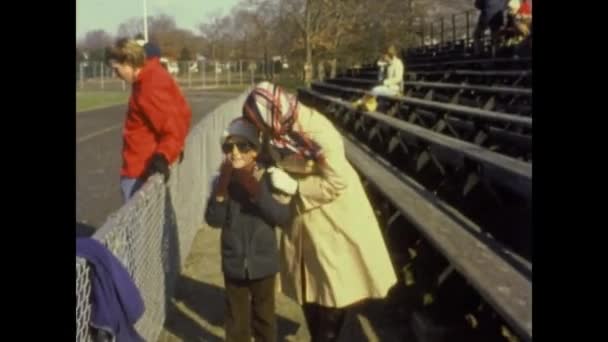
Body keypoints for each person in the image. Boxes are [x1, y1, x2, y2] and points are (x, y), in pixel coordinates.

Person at [242, 82, 398, 342]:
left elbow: (336, 182)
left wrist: (296, 186)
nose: (261, 130)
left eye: (261, 124)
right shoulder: (278, 127)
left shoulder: (319, 131)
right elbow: (273, 155)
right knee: (308, 290)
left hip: (333, 218)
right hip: (300, 219)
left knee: (331, 293)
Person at [205, 118, 295, 342]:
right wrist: (221, 192)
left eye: (242, 146)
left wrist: (256, 192)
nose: (235, 152)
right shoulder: (222, 180)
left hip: (263, 262)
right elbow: (214, 220)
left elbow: (281, 216)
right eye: (229, 147)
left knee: (264, 318)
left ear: (254, 150)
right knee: (236, 321)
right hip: (234, 261)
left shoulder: (270, 178)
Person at [106, 38, 191, 202]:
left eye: (117, 69)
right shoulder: (150, 76)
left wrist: (163, 156)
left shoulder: (149, 85)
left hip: (140, 170)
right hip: (141, 166)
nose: (115, 75)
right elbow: (182, 114)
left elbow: (174, 126)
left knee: (138, 225)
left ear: (130, 62)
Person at [352, 45, 405, 112]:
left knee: (375, 90)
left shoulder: (398, 63)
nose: (384, 58)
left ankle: (370, 106)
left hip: (395, 89)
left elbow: (398, 78)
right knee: (371, 88)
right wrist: (381, 68)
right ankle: (362, 102)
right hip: (387, 87)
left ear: (389, 56)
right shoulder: (387, 64)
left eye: (385, 57)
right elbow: (380, 75)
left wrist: (384, 82)